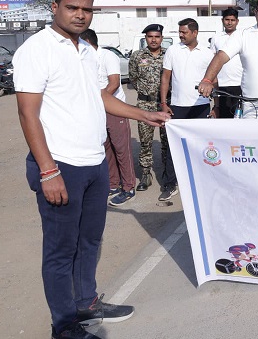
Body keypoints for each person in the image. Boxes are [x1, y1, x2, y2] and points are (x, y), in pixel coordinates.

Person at [13, 0, 169, 339]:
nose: (80, 15)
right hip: (60, 164)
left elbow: (100, 97)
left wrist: (143, 114)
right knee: (60, 250)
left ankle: (85, 304)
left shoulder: (86, 50)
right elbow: (27, 113)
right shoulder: (37, 49)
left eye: (87, 9)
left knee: (89, 241)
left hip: (94, 163)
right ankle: (64, 325)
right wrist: (48, 170)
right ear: (55, 8)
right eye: (72, 7)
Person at [79, 29, 137, 207]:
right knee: (106, 149)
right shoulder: (84, 59)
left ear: (88, 42)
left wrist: (98, 101)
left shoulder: (107, 56)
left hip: (114, 109)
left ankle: (128, 187)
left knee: (121, 149)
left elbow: (114, 83)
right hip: (97, 111)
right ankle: (113, 184)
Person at [159, 18, 213, 201]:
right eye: (179, 32)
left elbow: (214, 80)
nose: (181, 35)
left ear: (195, 32)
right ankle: (170, 184)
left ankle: (200, 183)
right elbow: (165, 78)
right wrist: (164, 103)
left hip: (201, 106)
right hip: (177, 107)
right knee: (174, 147)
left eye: (184, 32)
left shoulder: (207, 53)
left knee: (200, 146)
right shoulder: (173, 50)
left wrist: (215, 106)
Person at [129, 24, 171, 193]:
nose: (153, 40)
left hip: (165, 104)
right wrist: (145, 92)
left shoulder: (169, 55)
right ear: (145, 38)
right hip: (145, 104)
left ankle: (167, 174)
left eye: (157, 36)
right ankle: (146, 174)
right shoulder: (137, 56)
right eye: (150, 36)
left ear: (162, 38)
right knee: (145, 141)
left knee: (167, 141)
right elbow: (133, 77)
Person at [209, 9, 243, 119]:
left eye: (232, 20)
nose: (229, 22)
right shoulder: (216, 38)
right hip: (222, 85)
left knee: (241, 120)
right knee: (224, 119)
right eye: (227, 19)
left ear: (237, 21)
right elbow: (213, 60)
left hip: (240, 85)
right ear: (222, 20)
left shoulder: (242, 36)